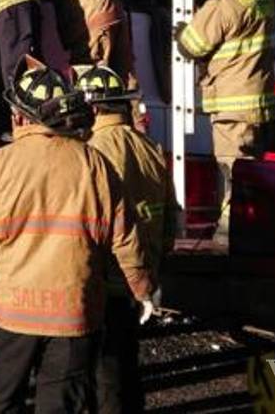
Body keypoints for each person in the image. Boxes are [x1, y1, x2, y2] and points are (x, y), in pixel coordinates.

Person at [0, 57, 154, 413]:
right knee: (61, 404)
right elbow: (126, 238)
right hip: (72, 313)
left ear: (19, 116)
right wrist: (141, 288)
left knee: (0, 401)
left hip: (10, 311)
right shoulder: (94, 164)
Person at [77, 64, 177, 413]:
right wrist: (153, 266)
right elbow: (170, 218)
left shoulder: (91, 152)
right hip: (140, 279)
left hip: (106, 280)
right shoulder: (150, 148)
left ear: (92, 108)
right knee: (127, 367)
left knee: (103, 374)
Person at [175, 0, 275, 245]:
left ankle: (231, 234)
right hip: (258, 101)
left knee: (232, 171)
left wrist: (182, 31)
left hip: (232, 104)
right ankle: (254, 229)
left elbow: (193, 46)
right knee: (253, 173)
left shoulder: (223, 2)